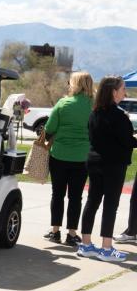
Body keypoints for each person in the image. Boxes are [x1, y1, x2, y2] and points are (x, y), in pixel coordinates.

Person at [76, 76, 135, 262]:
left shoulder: (95, 112)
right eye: (123, 88)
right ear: (113, 91)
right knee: (110, 205)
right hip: (113, 166)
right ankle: (106, 248)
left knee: (92, 201)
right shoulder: (119, 115)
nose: (125, 92)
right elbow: (128, 141)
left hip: (94, 162)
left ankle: (86, 245)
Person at [43, 71, 93, 246]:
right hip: (82, 157)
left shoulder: (63, 103)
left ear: (75, 84)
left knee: (57, 194)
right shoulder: (94, 106)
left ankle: (55, 231)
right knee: (75, 197)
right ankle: (72, 233)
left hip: (59, 156)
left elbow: (49, 129)